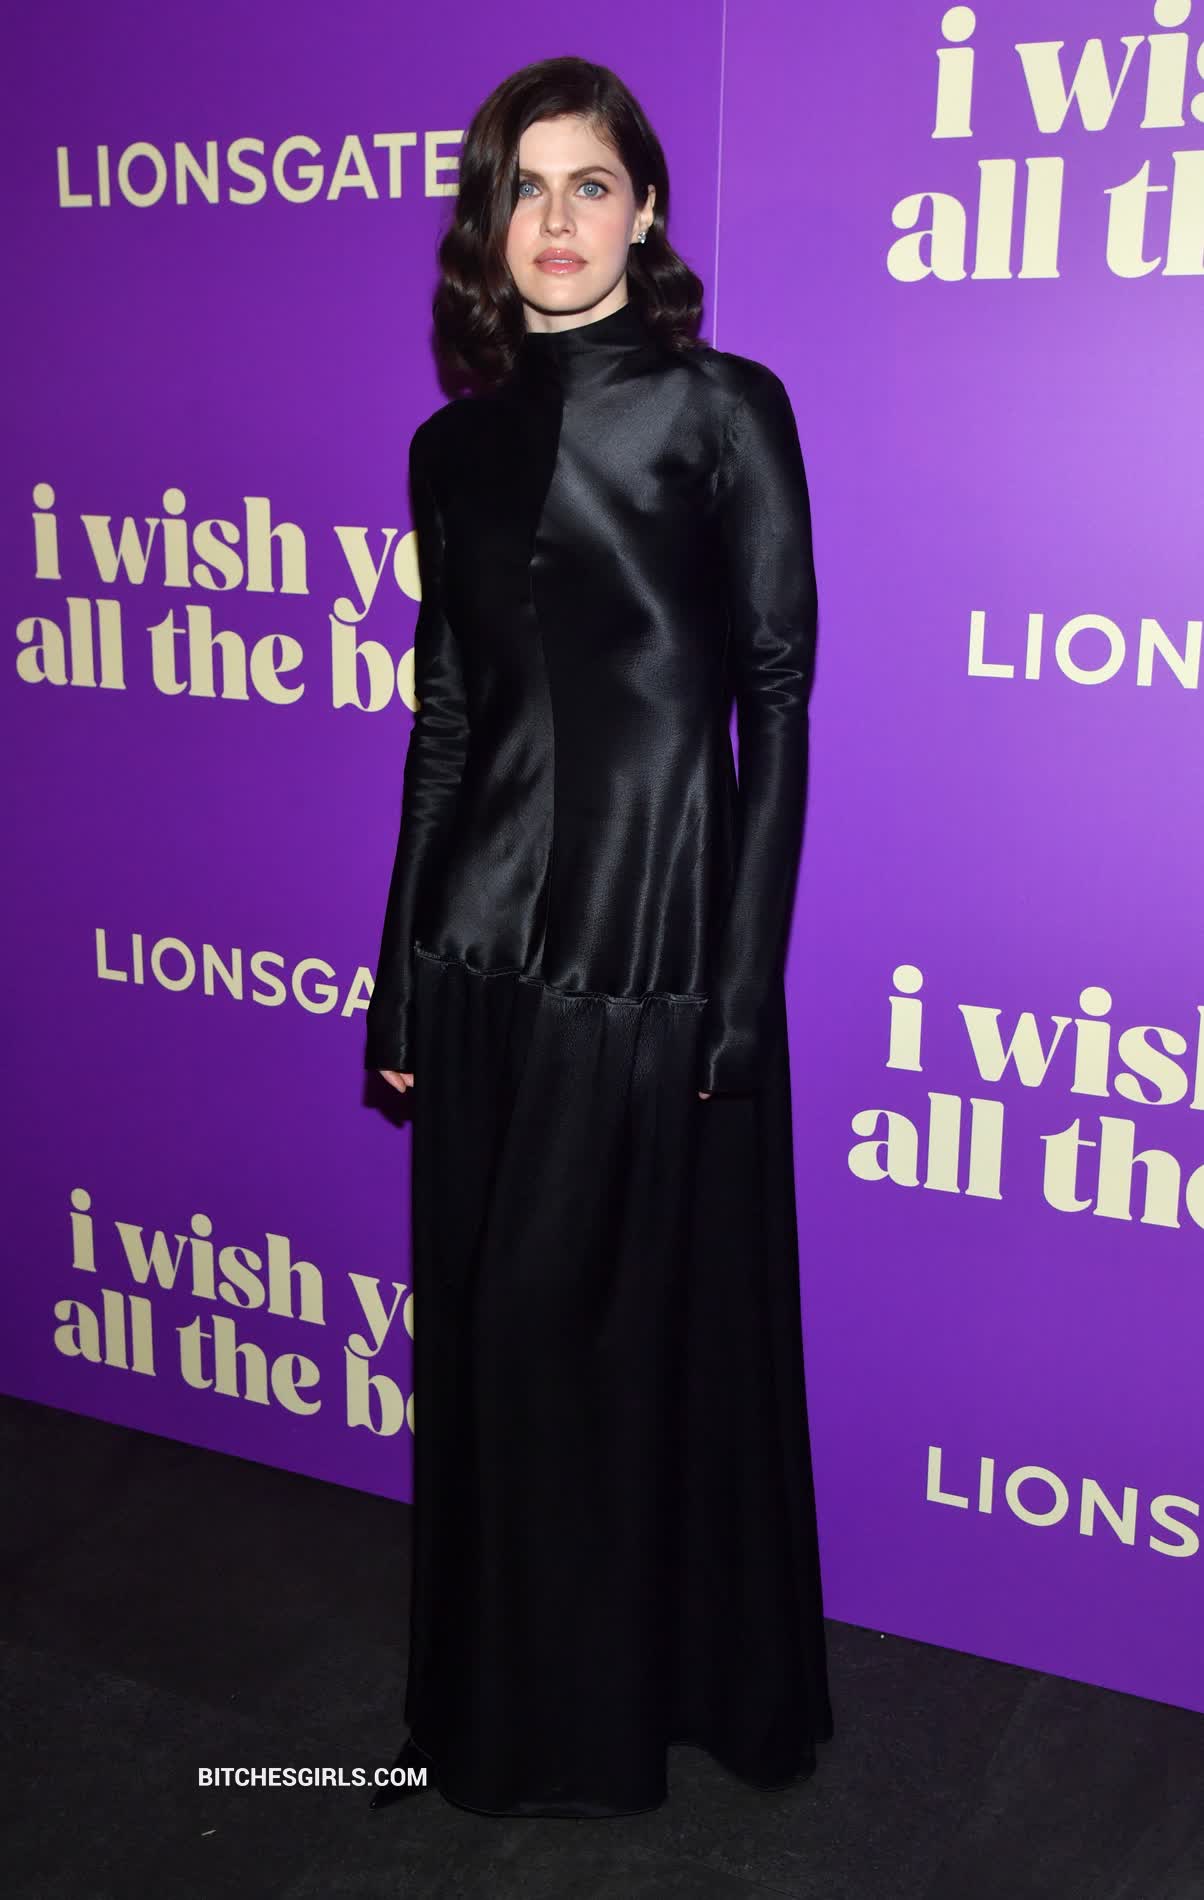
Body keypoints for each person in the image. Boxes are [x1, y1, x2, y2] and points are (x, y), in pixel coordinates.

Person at [364, 54, 833, 1820]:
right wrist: (398, 976)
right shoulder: (449, 448)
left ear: (645, 210)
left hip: (650, 955)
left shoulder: (727, 411)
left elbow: (776, 701)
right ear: (485, 225)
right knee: (497, 1355)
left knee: (621, 1348)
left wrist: (743, 981)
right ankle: (508, 1715)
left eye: (589, 185)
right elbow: (446, 727)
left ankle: (643, 1702)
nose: (554, 221)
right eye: (522, 189)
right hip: (481, 956)